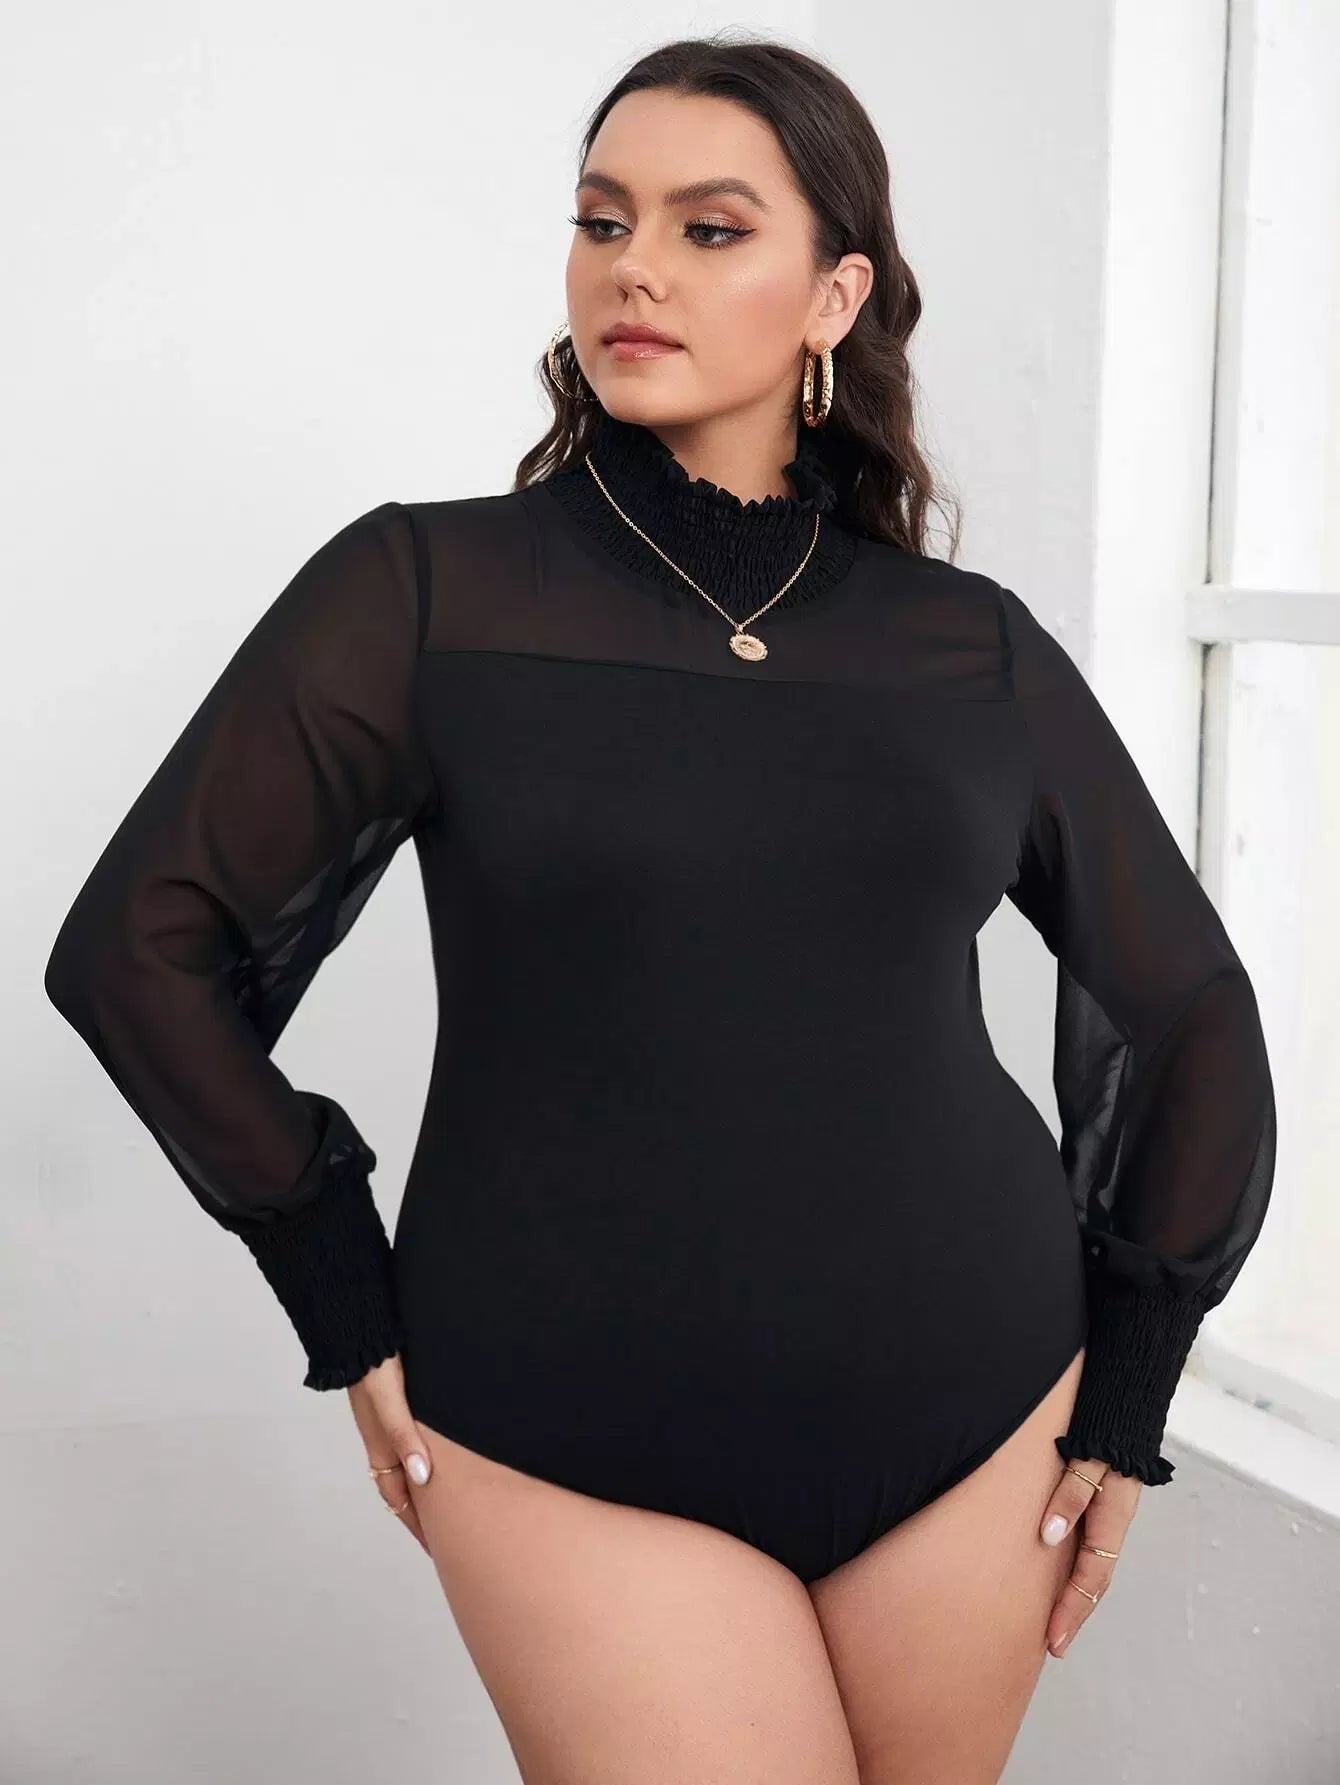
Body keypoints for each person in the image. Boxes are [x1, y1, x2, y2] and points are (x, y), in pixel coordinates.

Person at [44, 33, 1276, 1785]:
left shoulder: (968, 645)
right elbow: (137, 948)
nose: (634, 266)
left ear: (834, 294)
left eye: (710, 228)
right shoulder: (426, 591)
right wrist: (337, 1285)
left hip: (977, 1410)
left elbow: (1193, 1003)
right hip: (564, 1424)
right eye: (602, 218)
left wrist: (1132, 1382)